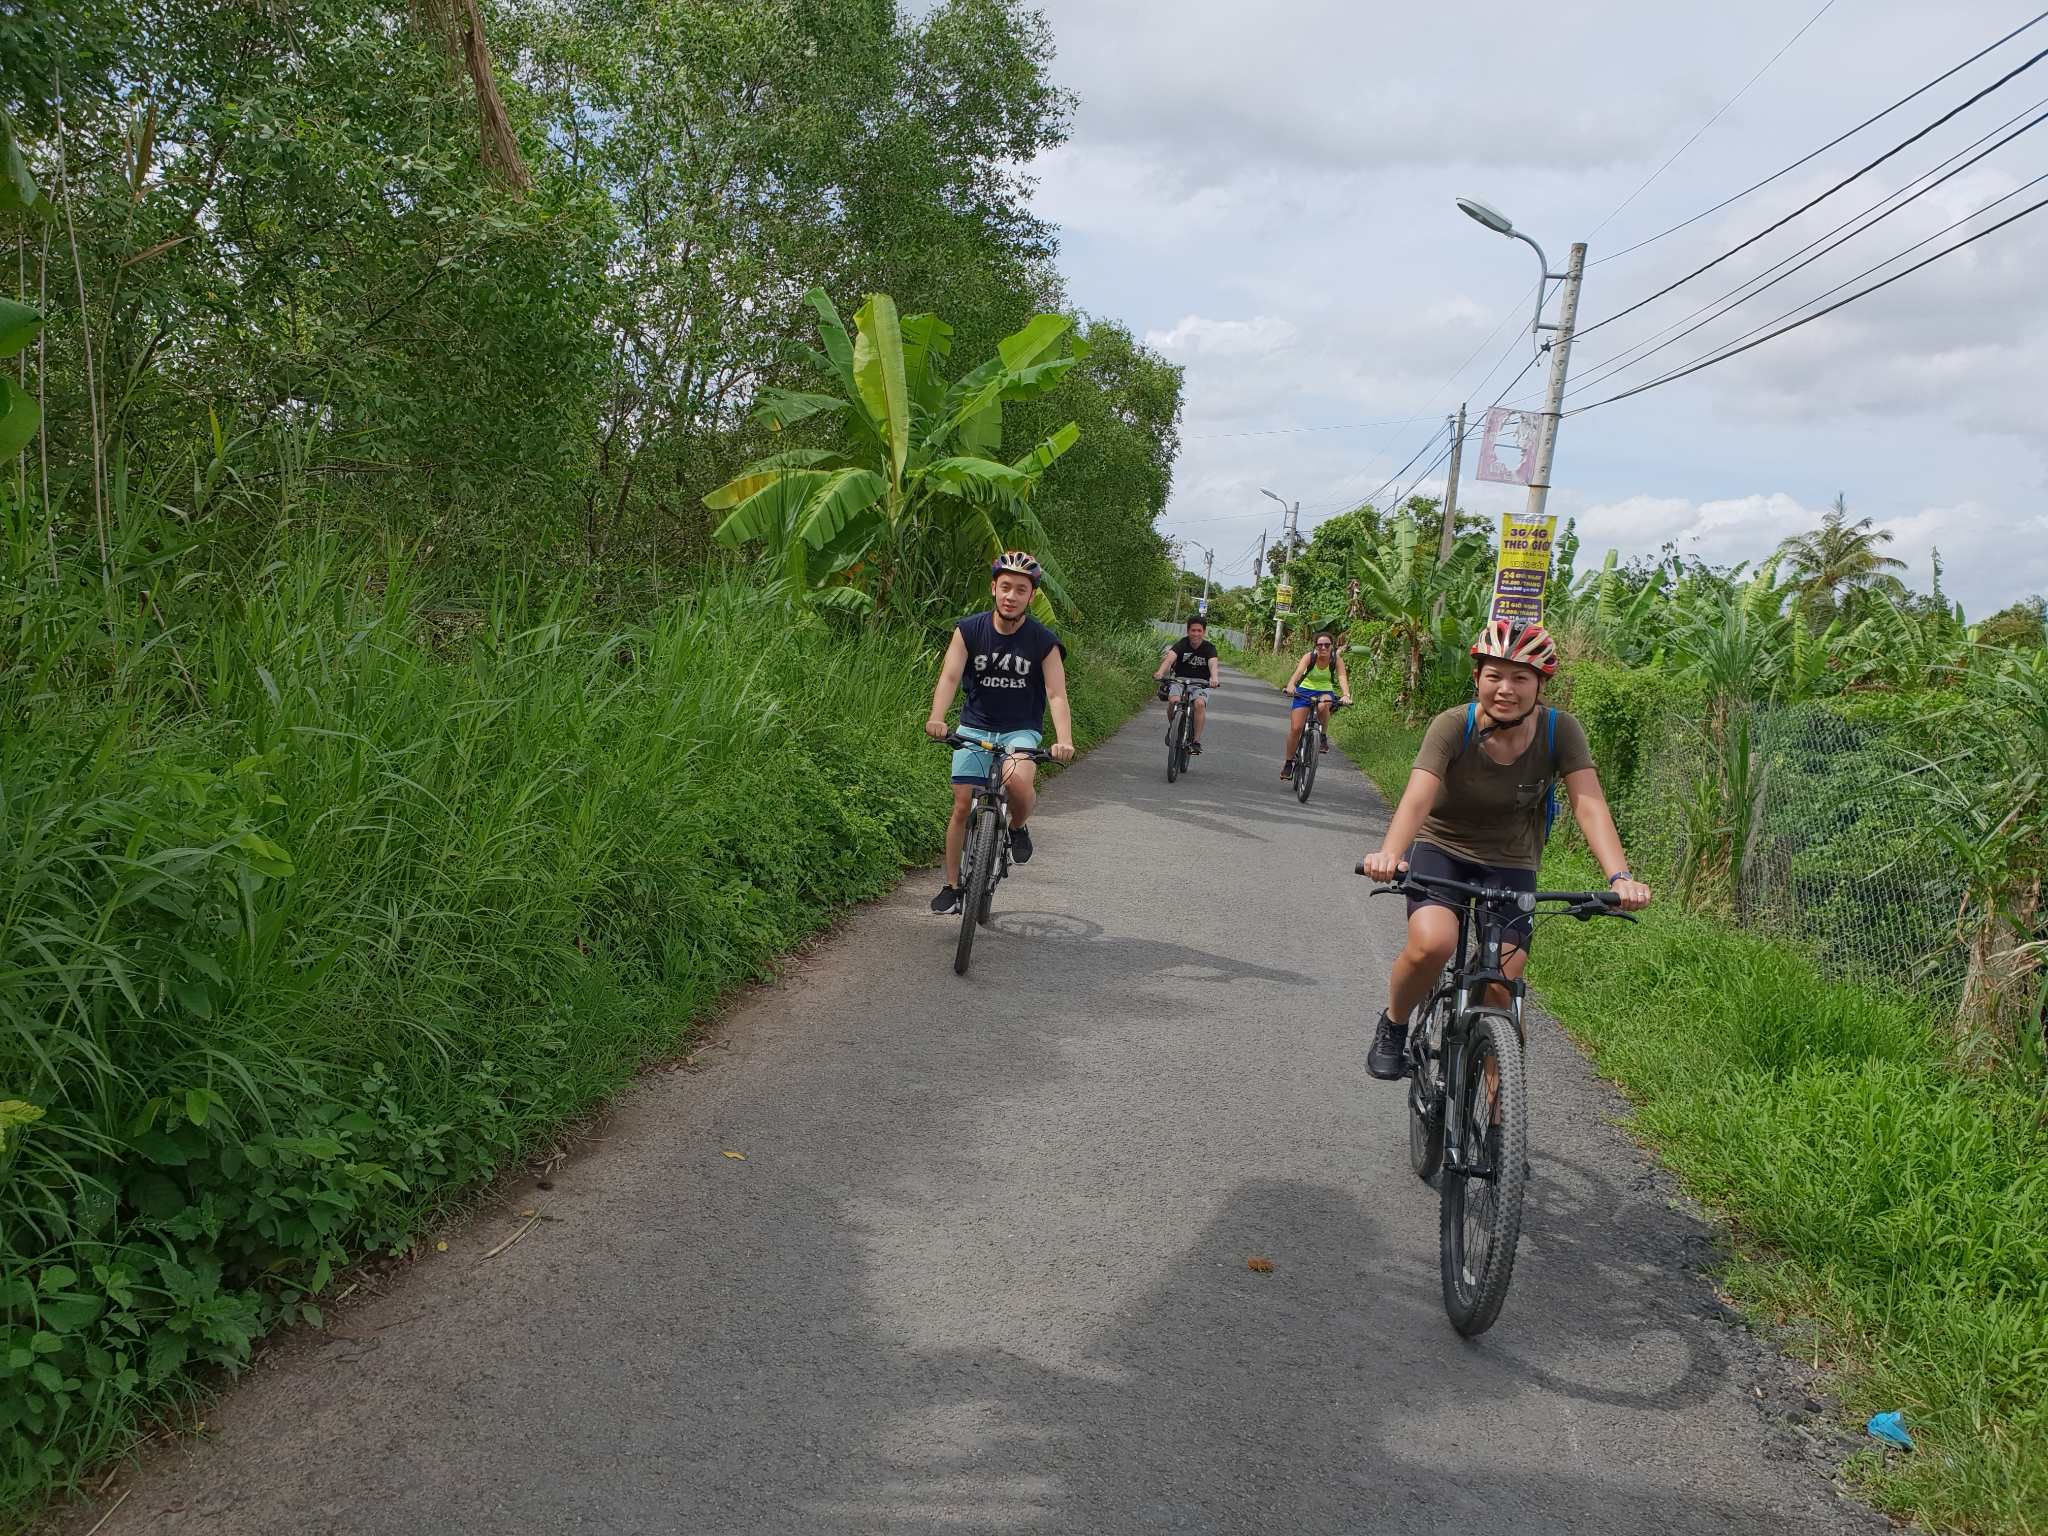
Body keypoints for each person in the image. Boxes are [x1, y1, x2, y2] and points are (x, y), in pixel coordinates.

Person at [1359, 617, 1652, 1079]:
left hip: (1511, 863)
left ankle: (1499, 1127)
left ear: (1540, 684)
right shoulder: (1453, 725)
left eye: (1521, 677)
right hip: (1442, 849)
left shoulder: (1561, 731)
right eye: (1494, 675)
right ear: (1477, 677)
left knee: (1502, 989)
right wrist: (1390, 853)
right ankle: (1394, 1023)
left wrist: (1620, 877)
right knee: (1434, 943)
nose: (1506, 688)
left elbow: (1589, 804)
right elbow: (1418, 795)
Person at [924, 551, 1076, 915]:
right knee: (962, 805)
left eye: (1020, 590)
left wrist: (1064, 739)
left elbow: (1056, 694)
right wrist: (937, 717)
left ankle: (1018, 826)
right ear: (994, 588)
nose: (1011, 595)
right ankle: (952, 885)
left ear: (1030, 596)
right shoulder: (969, 630)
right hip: (974, 725)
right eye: (1005, 587)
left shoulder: (1043, 641)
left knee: (1018, 784)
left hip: (1019, 730)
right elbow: (949, 676)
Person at [1280, 630, 1352, 780]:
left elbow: (1342, 676)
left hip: (1325, 691)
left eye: (1327, 645)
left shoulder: (1336, 659)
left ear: (1332, 646)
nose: (1323, 648)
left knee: (1324, 704)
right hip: (1304, 691)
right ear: (1315, 646)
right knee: (1296, 728)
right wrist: (1291, 685)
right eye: (1320, 645)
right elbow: (1298, 672)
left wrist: (1346, 695)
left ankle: (1323, 736)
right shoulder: (1309, 657)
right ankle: (1288, 763)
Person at [1153, 615, 1220, 754]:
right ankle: (1174, 726)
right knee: (1174, 701)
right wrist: (1160, 672)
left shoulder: (1209, 648)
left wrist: (1214, 678)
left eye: (1199, 630)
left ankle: (1195, 741)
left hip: (1200, 683)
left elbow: (1213, 663)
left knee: (1199, 704)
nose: (1196, 633)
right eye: (1193, 630)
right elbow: (1169, 659)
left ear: (1204, 632)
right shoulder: (1181, 644)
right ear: (1188, 631)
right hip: (1180, 680)